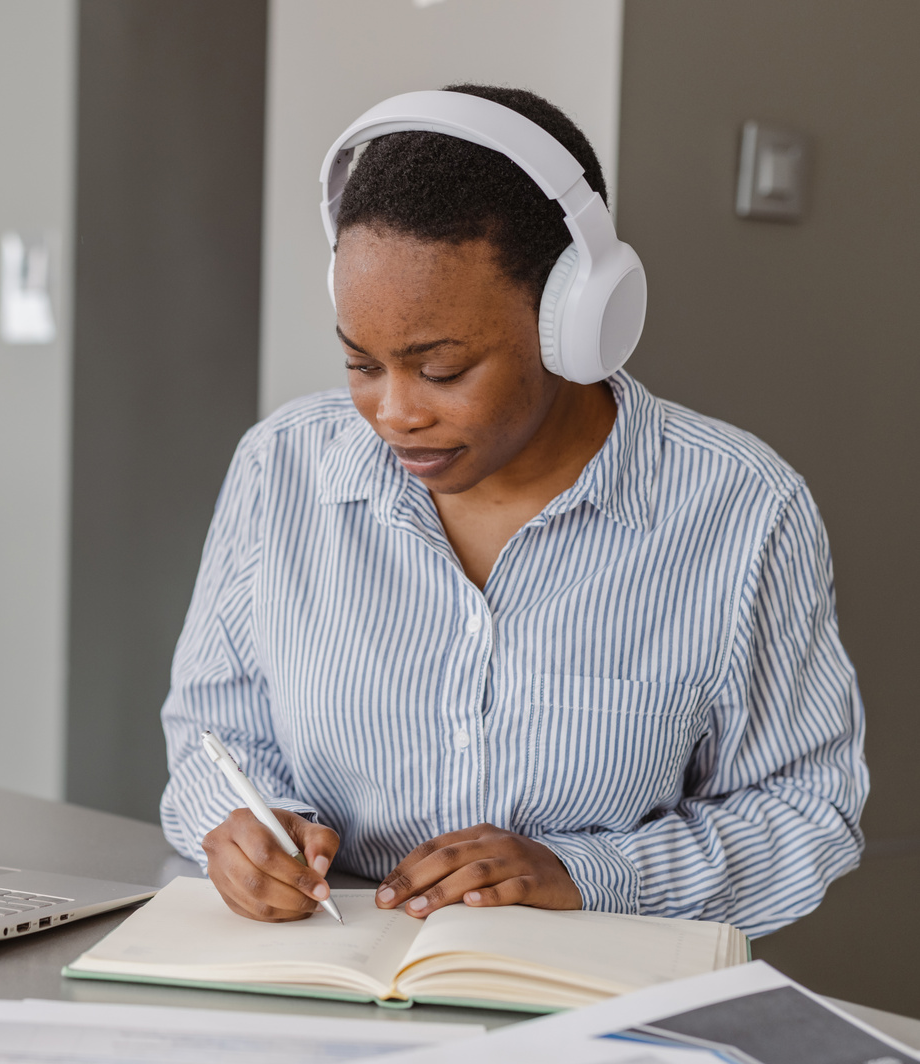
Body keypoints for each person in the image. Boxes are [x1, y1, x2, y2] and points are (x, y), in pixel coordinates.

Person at [158, 84, 867, 939]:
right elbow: (212, 735)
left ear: (577, 321)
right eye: (360, 364)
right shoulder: (282, 469)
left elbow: (805, 811)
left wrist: (583, 871)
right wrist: (246, 828)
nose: (393, 413)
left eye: (442, 369)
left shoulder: (741, 510)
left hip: (587, 1005)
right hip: (325, 978)